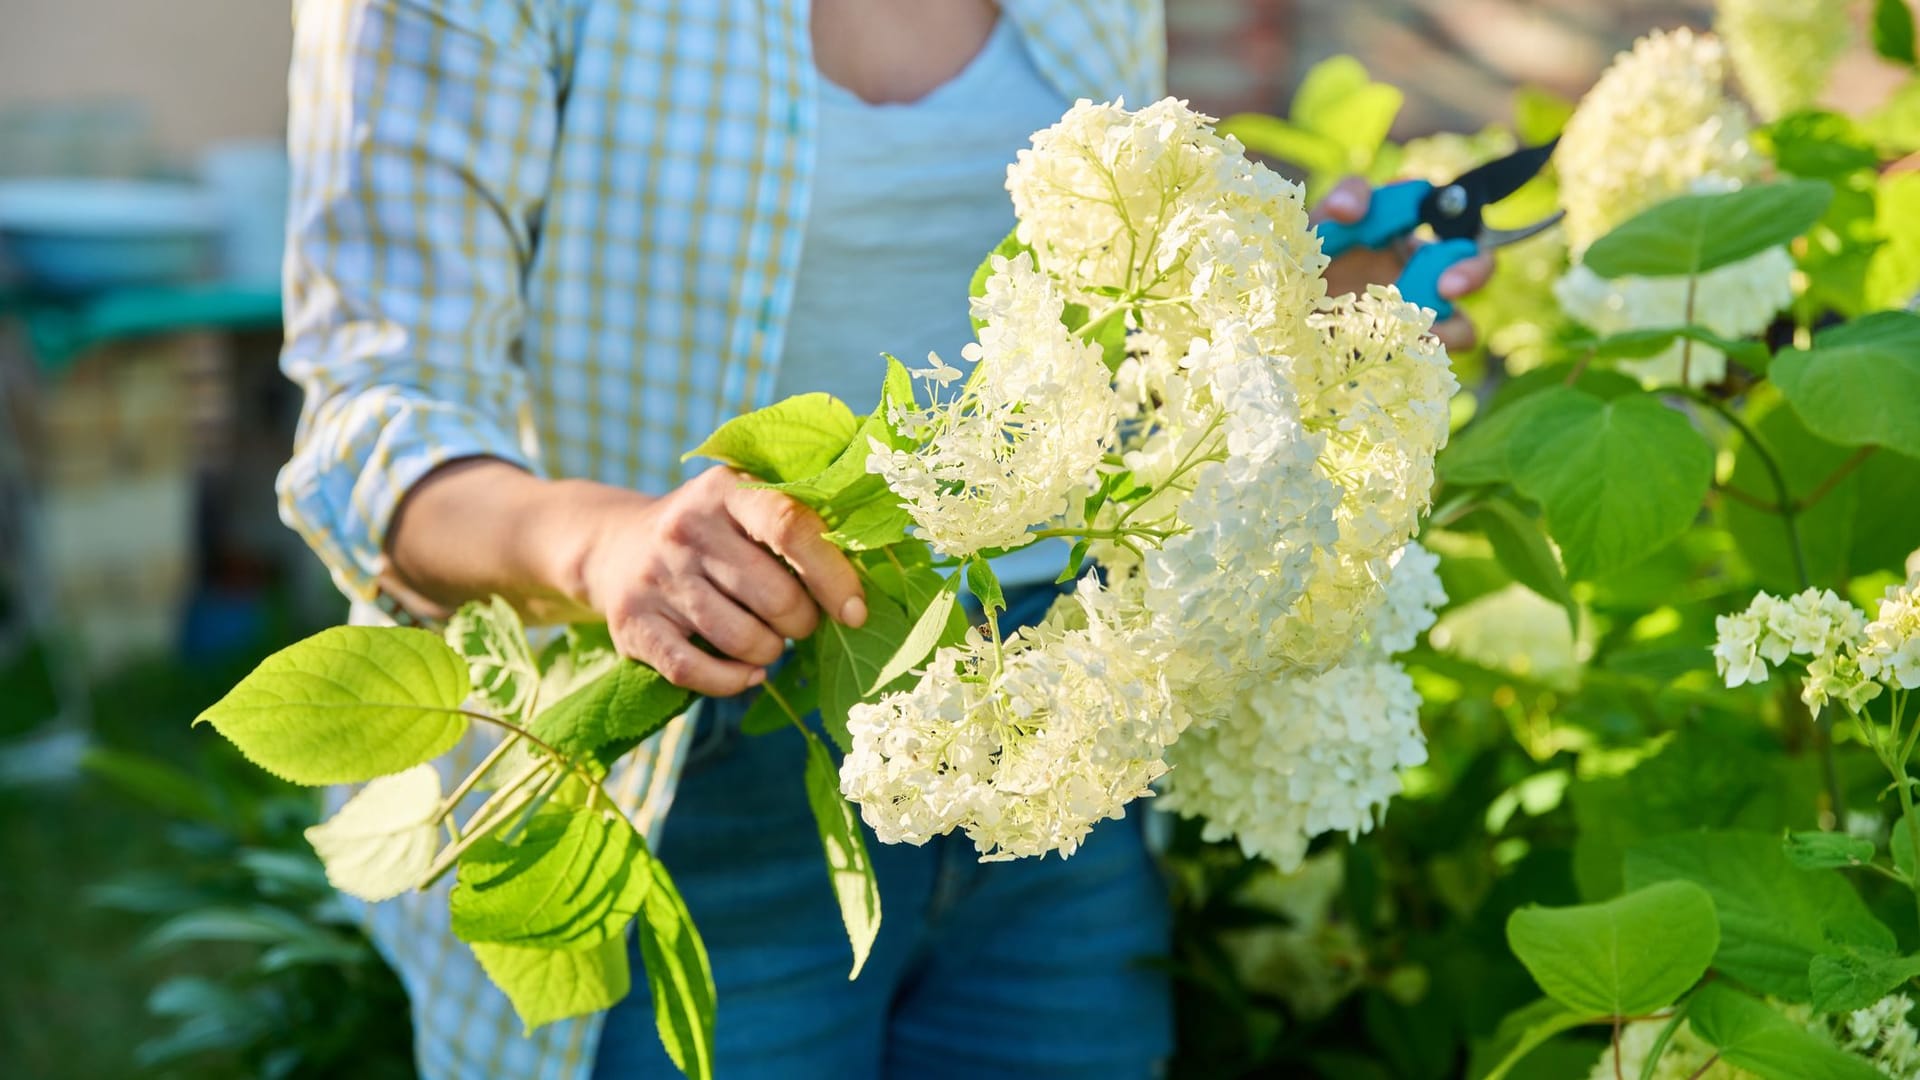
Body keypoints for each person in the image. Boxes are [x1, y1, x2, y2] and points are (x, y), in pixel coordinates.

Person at [277, 1, 1494, 1077]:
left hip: (1067, 746)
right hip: (694, 742)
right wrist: (611, 547)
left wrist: (1286, 322)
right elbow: (374, 413)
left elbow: (1091, 363)